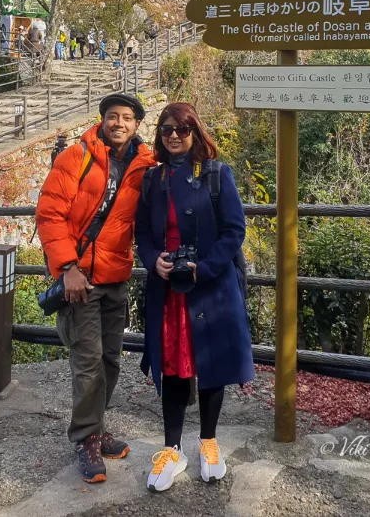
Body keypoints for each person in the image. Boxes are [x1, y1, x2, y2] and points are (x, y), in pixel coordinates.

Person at [36, 93, 155, 484]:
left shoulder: (144, 165)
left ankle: (96, 428)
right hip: (80, 279)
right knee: (87, 363)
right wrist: (67, 267)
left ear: (137, 124)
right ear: (102, 120)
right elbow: (50, 213)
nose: (118, 123)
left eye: (126, 118)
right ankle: (86, 438)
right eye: (112, 116)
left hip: (115, 276)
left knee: (109, 361)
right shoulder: (76, 157)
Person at [135, 101, 253, 493]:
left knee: (211, 364)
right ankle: (172, 448)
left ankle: (208, 441)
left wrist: (206, 265)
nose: (173, 135)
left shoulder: (217, 175)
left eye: (182, 129)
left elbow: (234, 230)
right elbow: (144, 237)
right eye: (166, 129)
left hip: (210, 287)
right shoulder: (152, 180)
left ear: (195, 133)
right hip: (167, 290)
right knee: (172, 368)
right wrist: (154, 261)